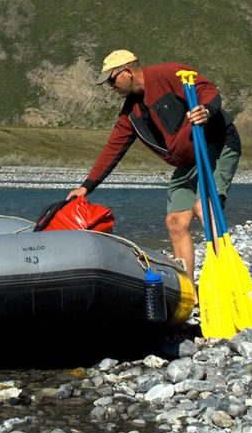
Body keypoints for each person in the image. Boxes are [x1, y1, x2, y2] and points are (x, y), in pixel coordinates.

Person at [67, 49, 242, 290]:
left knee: (205, 206)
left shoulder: (168, 73)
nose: (110, 86)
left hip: (216, 144)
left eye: (111, 79)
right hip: (186, 163)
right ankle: (190, 291)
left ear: (127, 71)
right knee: (175, 222)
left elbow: (206, 89)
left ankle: (226, 279)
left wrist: (206, 109)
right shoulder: (130, 114)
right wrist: (87, 186)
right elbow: (113, 149)